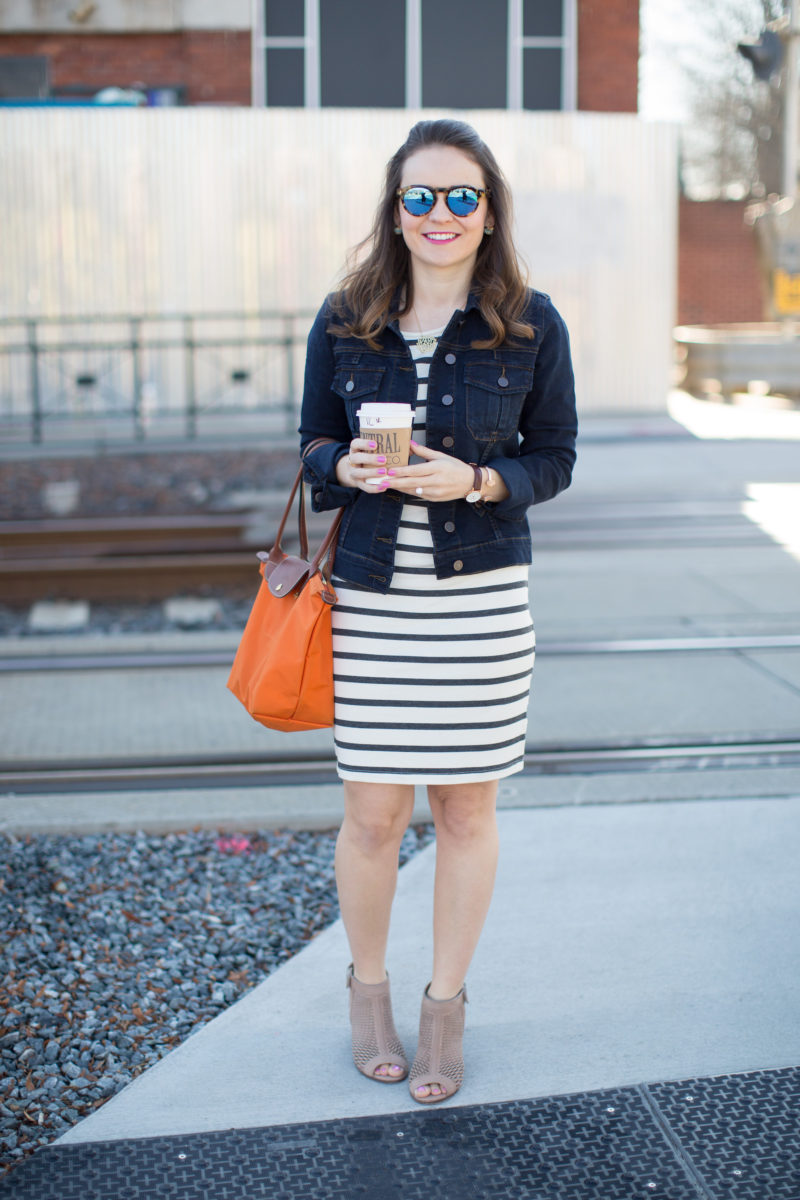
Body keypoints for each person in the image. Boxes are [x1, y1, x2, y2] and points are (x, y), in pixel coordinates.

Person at [299, 118, 577, 1104]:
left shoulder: (531, 323)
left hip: (481, 603)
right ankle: (366, 995)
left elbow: (553, 459)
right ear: (395, 211)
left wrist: (477, 480)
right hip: (377, 599)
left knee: (465, 812)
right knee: (371, 816)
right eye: (419, 197)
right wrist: (343, 463)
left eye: (460, 196)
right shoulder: (344, 319)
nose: (440, 214)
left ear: (487, 209)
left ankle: (442, 1009)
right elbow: (309, 445)